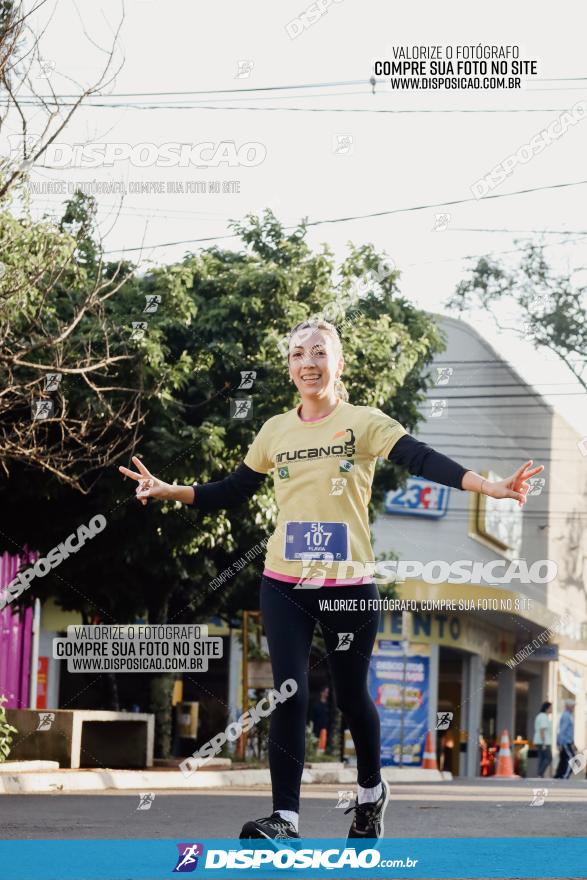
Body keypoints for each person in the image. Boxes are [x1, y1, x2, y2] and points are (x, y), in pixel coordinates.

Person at [119, 317, 543, 841]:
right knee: (289, 693)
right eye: (298, 354)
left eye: (319, 353)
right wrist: (168, 489)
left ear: (338, 363)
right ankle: (285, 819)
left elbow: (421, 459)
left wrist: (490, 486)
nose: (308, 363)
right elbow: (231, 490)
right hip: (284, 580)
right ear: (289, 367)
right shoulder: (274, 430)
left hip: (348, 585)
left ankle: (370, 792)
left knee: (349, 697)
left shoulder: (363, 422)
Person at [555, 700, 576, 779]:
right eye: (573, 706)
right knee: (572, 758)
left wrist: (573, 742)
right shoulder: (566, 716)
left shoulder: (569, 715)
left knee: (563, 759)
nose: (574, 708)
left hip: (568, 742)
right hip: (565, 742)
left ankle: (559, 775)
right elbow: (562, 731)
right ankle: (564, 775)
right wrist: (559, 743)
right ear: (568, 706)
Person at [534, 701, 553, 778]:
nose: (552, 709)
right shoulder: (543, 717)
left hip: (540, 741)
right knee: (548, 758)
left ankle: (539, 775)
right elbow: (542, 730)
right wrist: (544, 743)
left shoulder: (540, 716)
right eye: (550, 708)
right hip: (544, 742)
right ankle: (540, 773)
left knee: (542, 758)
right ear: (546, 708)